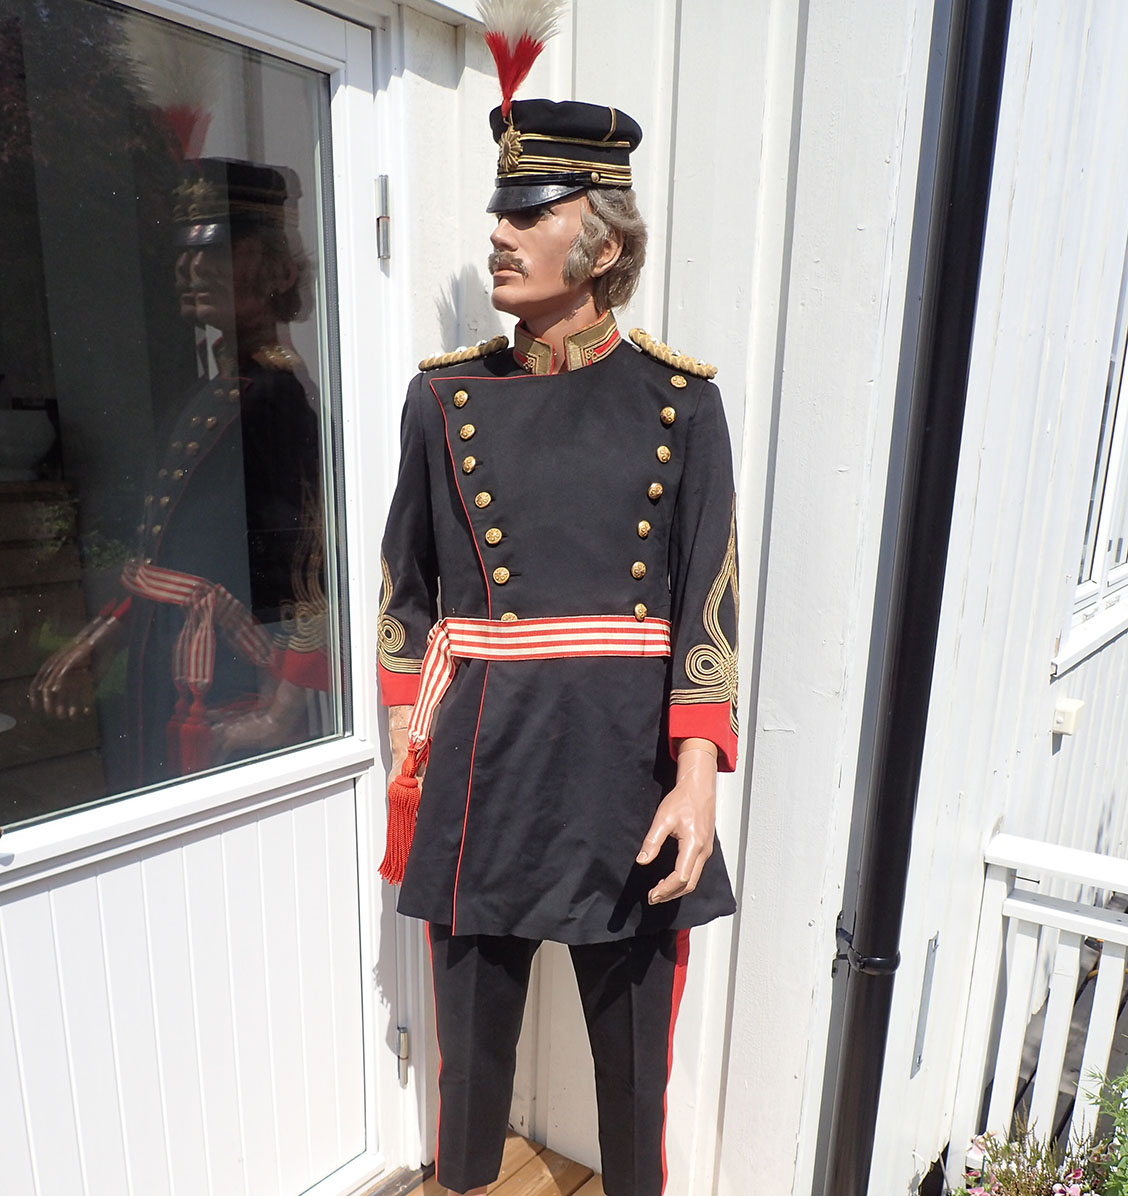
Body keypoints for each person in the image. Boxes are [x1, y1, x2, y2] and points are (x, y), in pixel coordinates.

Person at [377, 98, 739, 1196]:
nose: (499, 232)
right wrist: (411, 748)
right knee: (469, 1073)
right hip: (483, 764)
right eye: (501, 210)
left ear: (605, 245)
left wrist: (696, 778)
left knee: (634, 1081)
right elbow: (404, 593)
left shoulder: (681, 405)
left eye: (531, 211)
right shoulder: (445, 397)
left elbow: (708, 605)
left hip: (627, 775)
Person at [29, 158, 329, 786]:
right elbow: (168, 555)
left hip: (232, 674)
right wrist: (103, 636)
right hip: (170, 653)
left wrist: (281, 712)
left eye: (217, 251)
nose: (190, 267)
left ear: (275, 269)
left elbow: (309, 568)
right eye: (184, 252)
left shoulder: (275, 397)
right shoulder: (215, 390)